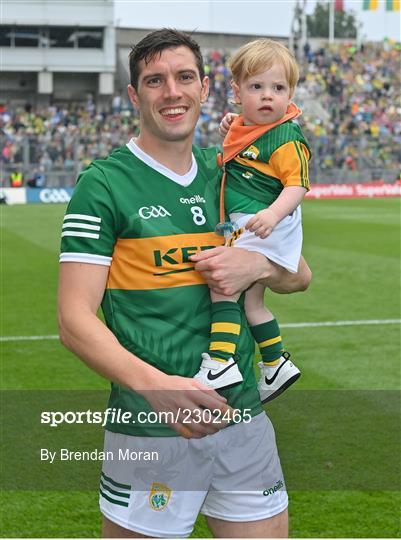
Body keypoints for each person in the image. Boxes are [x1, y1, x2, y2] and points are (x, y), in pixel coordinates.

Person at [58, 29, 311, 539]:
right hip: (152, 425)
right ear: (135, 95)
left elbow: (298, 276)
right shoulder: (104, 184)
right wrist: (158, 388)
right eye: (154, 80)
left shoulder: (229, 174)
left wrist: (256, 268)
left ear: (204, 88)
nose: (171, 91)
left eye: (184, 77)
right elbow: (74, 318)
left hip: (242, 419)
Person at [194, 39, 311, 404]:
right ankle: (276, 364)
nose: (267, 96)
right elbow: (241, 146)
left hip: (262, 219)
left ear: (290, 93)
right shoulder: (248, 125)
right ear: (237, 91)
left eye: (278, 88)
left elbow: (298, 185)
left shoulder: (287, 138)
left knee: (223, 284)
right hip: (255, 219)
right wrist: (233, 125)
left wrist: (272, 215)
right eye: (256, 87)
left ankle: (221, 360)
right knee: (252, 303)